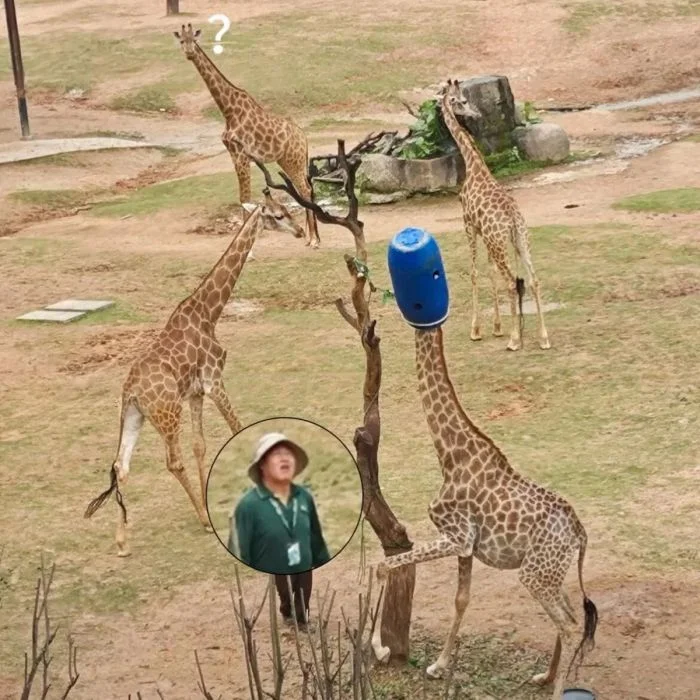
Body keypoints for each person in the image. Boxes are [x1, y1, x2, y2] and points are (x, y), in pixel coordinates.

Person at [228, 432, 331, 628]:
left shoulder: (304, 497)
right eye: (276, 454)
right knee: (284, 586)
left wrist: (321, 558)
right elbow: (240, 548)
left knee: (304, 584)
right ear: (262, 465)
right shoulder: (249, 505)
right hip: (274, 560)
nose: (284, 458)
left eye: (288, 454)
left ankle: (302, 619)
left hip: (304, 559)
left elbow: (315, 535)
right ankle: (287, 611)